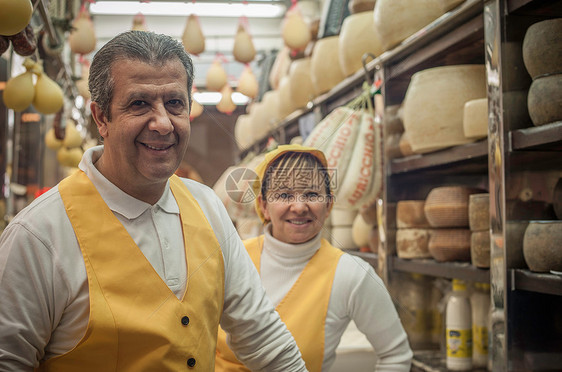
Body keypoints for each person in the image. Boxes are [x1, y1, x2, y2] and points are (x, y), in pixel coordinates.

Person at [0, 31, 308, 371]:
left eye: (174, 103)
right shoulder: (39, 236)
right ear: (101, 117)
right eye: (139, 103)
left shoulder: (206, 207)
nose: (162, 124)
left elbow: (262, 336)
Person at [215, 144, 413, 372]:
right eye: (284, 195)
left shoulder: (351, 274)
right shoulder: (233, 259)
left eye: (311, 194)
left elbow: (396, 356)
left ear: (328, 205)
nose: (299, 207)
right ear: (264, 206)